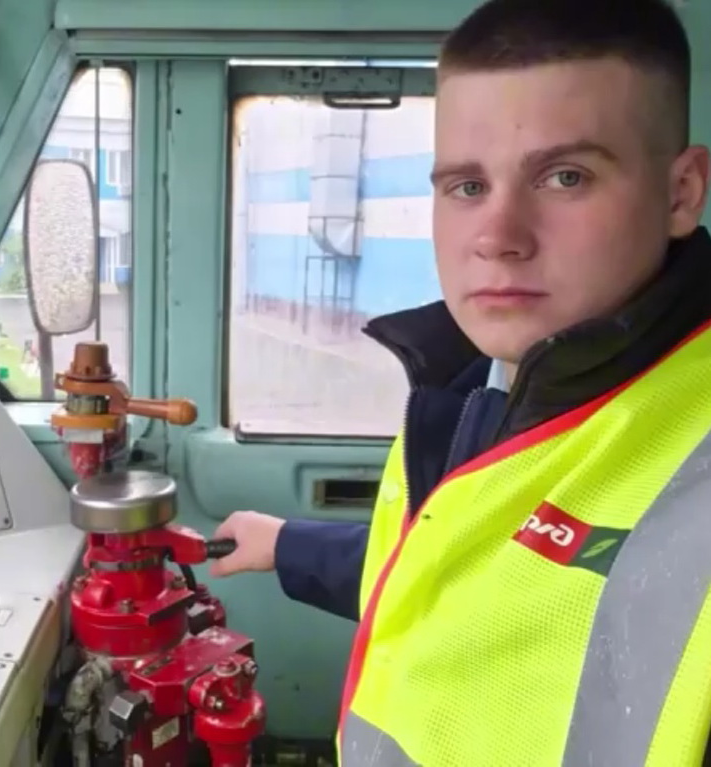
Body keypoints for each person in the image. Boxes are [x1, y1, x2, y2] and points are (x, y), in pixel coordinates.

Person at [210, 0, 711, 764]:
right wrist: (287, 544)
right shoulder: (478, 381)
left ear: (681, 192)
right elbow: (455, 570)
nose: (497, 238)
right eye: (467, 186)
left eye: (565, 176)